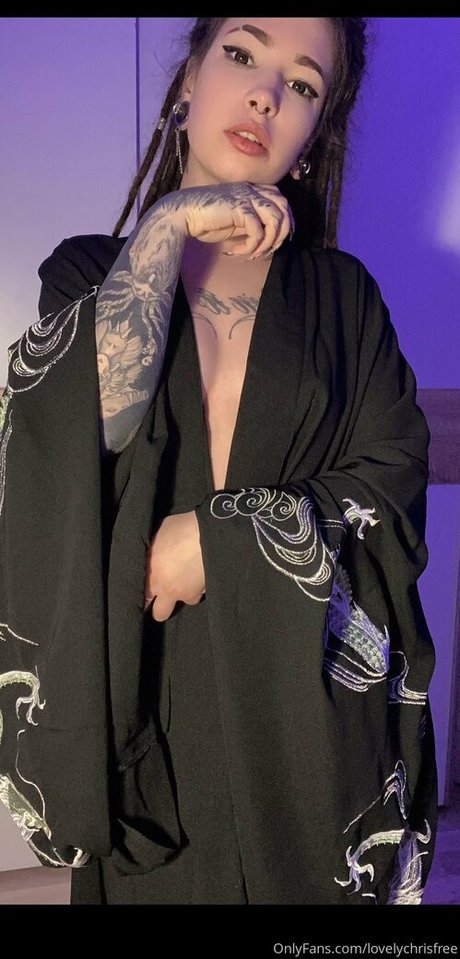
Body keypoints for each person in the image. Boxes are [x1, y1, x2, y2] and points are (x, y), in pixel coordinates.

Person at [0, 17, 437, 906]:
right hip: (145, 732)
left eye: (303, 84)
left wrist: (225, 540)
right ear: (189, 82)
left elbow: (389, 491)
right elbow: (94, 425)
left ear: (315, 133)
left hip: (299, 735)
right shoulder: (90, 274)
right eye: (242, 53)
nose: (265, 94)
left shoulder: (345, 300)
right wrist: (166, 229)